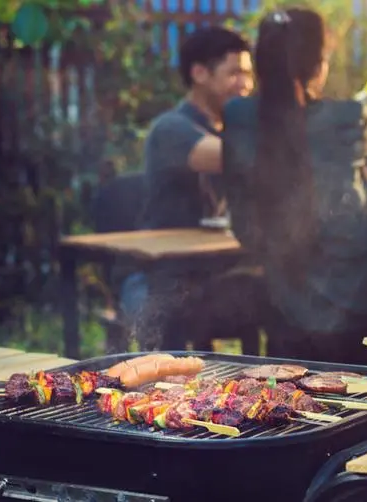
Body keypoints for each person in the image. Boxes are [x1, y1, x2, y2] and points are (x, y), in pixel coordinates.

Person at [222, 7, 367, 364]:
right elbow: (352, 225)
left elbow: (246, 225)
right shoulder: (345, 119)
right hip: (355, 304)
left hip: (282, 304)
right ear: (318, 65)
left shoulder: (238, 116)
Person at [126, 27, 261, 351]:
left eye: (248, 74)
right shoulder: (172, 128)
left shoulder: (229, 129)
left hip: (212, 274)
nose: (245, 84)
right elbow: (231, 158)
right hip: (161, 277)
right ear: (199, 73)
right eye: (235, 73)